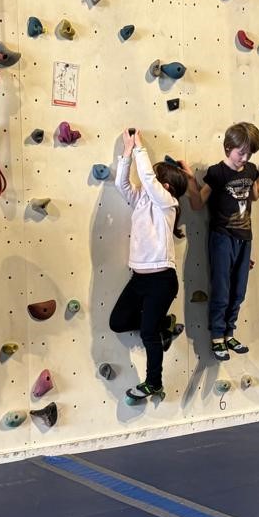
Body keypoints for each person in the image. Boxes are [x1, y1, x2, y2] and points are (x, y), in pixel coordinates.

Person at [110, 128, 190, 403]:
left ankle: (154, 383)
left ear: (165, 186)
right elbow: (121, 184)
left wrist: (140, 147)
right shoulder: (142, 199)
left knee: (147, 334)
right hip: (139, 279)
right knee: (118, 322)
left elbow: (146, 178)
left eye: (155, 178)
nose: (148, 180)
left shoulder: (168, 204)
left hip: (161, 281)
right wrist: (127, 152)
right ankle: (161, 325)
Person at [188, 121, 259, 361]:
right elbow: (198, 203)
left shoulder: (250, 170)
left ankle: (229, 332)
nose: (245, 158)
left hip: (245, 238)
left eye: (250, 154)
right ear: (228, 147)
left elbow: (255, 195)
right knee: (222, 288)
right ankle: (217, 335)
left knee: (239, 290)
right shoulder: (217, 173)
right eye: (241, 153)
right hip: (222, 237)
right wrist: (189, 181)